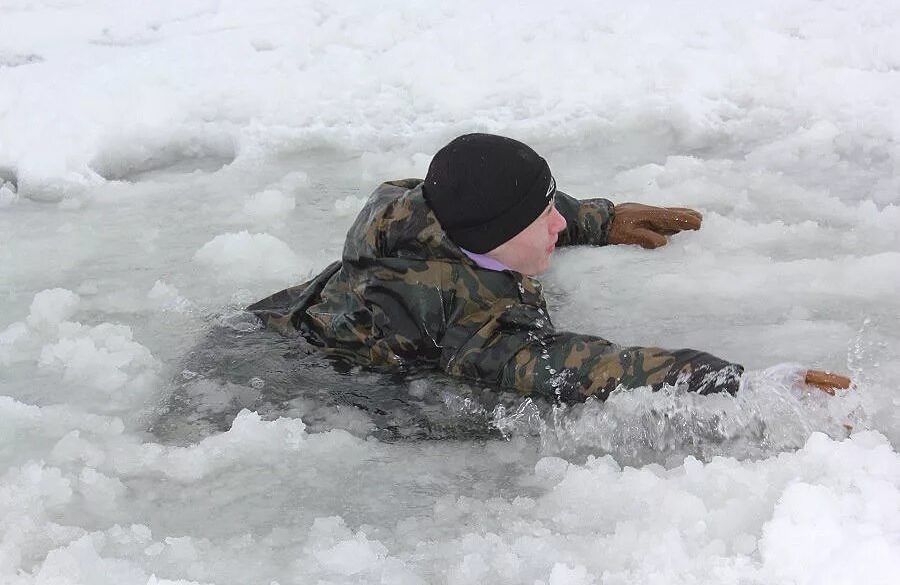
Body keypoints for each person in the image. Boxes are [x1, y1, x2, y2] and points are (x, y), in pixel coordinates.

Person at [248, 133, 850, 403]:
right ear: (493, 237)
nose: (557, 225)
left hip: (282, 314)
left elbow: (516, 204)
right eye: (544, 222)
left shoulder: (420, 208)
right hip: (279, 377)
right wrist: (739, 384)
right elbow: (599, 370)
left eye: (553, 209)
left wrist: (599, 219)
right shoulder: (470, 325)